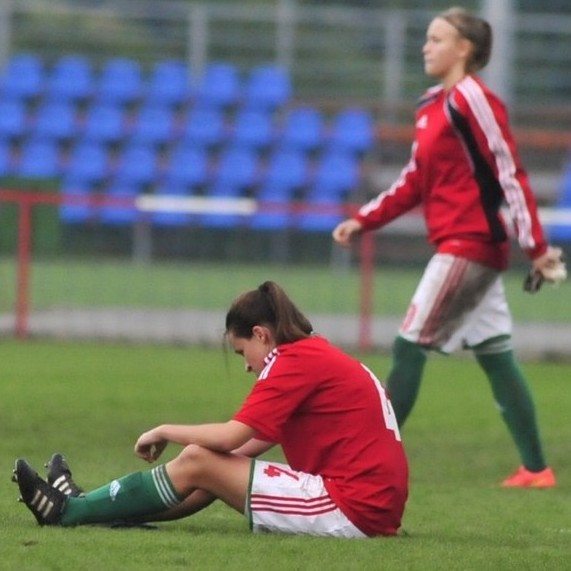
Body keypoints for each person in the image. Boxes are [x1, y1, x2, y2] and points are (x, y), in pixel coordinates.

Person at [333, 7, 561, 488]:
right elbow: (414, 181)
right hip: (465, 243)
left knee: (408, 344)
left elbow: (509, 171)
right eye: (427, 38)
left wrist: (536, 246)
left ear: (465, 50)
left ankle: (365, 465)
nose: (426, 46)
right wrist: (364, 220)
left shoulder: (473, 98)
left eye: (437, 39)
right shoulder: (432, 104)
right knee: (497, 355)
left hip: (470, 244)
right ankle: (537, 470)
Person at [13, 281, 408, 538]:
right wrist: (201, 463)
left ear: (261, 334)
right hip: (369, 503)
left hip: (352, 507)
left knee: (203, 458)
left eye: (243, 352)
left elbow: (231, 436)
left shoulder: (292, 360)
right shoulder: (313, 354)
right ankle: (83, 507)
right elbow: (230, 455)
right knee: (207, 464)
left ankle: (67, 511)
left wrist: (165, 429)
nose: (248, 365)